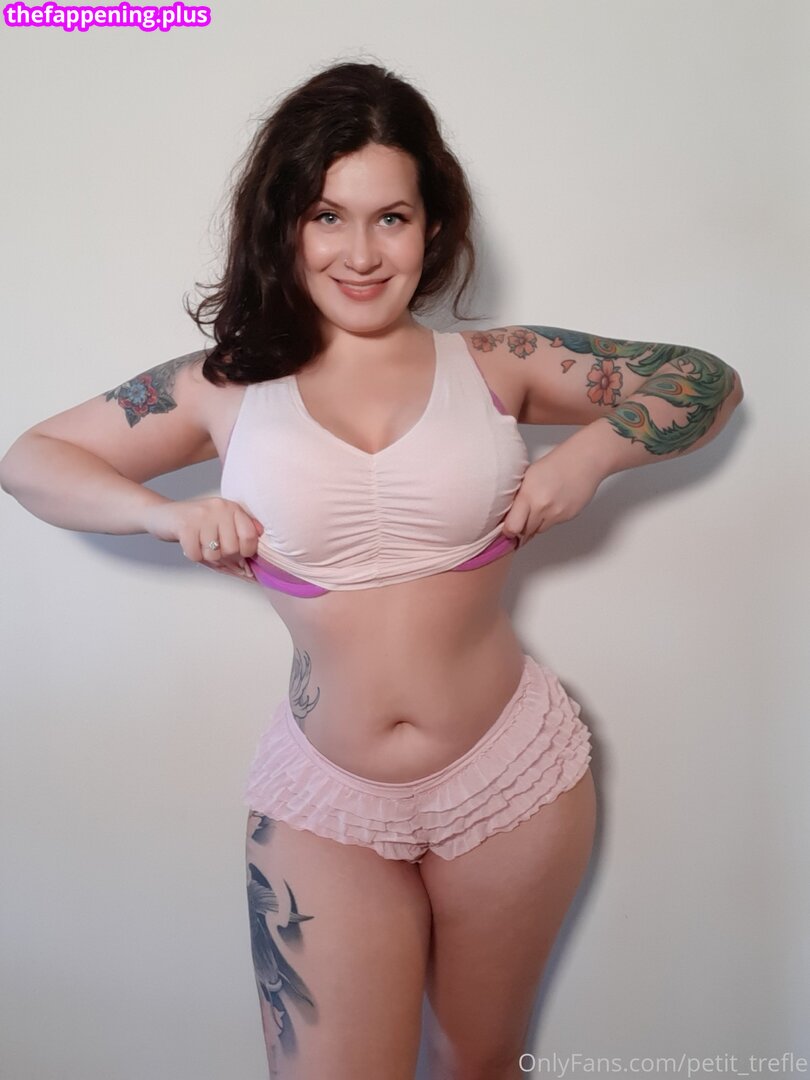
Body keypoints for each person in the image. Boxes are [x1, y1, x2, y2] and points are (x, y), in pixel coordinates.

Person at [0, 59, 743, 1080]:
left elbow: (705, 379)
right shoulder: (223, 387)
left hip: (512, 778)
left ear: (432, 227)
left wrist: (588, 458)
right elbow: (31, 460)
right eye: (327, 216)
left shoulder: (495, 362)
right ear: (285, 225)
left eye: (390, 218)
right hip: (326, 801)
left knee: (478, 1064)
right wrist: (163, 517)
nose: (360, 253)